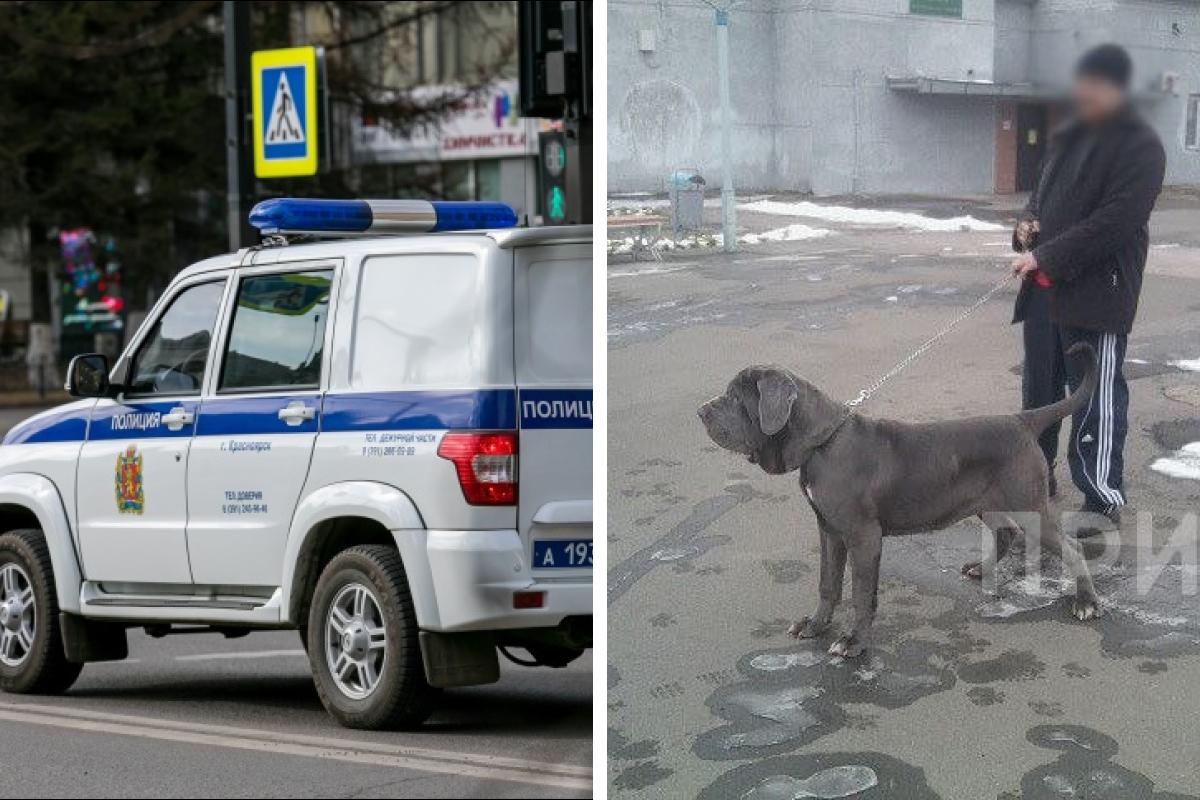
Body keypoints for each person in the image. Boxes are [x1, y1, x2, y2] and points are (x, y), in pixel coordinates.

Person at [1010, 43, 1165, 534]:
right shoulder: (1068, 137)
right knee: (1038, 395)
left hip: (1098, 295)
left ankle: (1100, 501)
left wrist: (1045, 254)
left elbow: (1115, 222)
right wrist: (1025, 227)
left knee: (1093, 397)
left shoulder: (1140, 145)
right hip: (1043, 290)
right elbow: (1037, 202)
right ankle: (1036, 481)